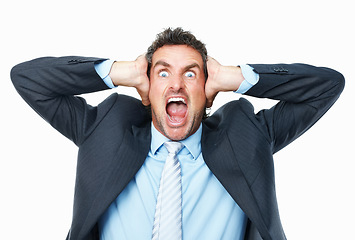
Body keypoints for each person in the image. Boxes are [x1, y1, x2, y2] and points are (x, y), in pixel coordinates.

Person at [11, 27, 344, 240]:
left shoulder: (246, 134)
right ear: (146, 89)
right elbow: (28, 80)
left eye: (190, 74)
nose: (176, 85)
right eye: (163, 73)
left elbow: (327, 86)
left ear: (208, 89)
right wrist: (120, 71)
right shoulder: (105, 129)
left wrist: (237, 76)